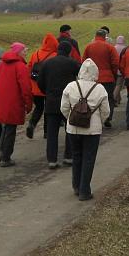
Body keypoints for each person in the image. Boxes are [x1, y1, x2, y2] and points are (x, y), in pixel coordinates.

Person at [60, 59, 110, 201]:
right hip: (92, 131)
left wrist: (71, 118)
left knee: (77, 156)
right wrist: (98, 122)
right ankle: (84, 190)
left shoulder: (71, 86)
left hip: (73, 128)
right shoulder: (100, 89)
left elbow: (63, 107)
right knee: (88, 159)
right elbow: (105, 111)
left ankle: (76, 186)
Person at [36, 40, 80, 168]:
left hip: (51, 101)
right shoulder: (72, 63)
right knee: (70, 130)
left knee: (51, 133)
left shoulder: (47, 63)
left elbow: (40, 82)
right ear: (69, 51)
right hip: (68, 101)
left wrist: (47, 92)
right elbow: (83, 74)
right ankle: (68, 157)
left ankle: (52, 160)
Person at [0, 42, 33, 167]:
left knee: (6, 128)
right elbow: (26, 88)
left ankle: (2, 153)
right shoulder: (21, 67)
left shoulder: (2, 65)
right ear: (18, 52)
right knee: (10, 130)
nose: (26, 52)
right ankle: (5, 157)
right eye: (24, 50)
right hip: (15, 103)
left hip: (2, 102)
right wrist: (28, 104)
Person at [82, 29, 120, 128]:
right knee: (108, 99)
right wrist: (113, 74)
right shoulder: (110, 47)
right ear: (105, 36)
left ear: (95, 36)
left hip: (92, 79)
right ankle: (107, 117)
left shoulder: (88, 47)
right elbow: (115, 63)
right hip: (107, 77)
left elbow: (84, 62)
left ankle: (93, 117)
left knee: (92, 99)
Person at [26, 34, 59, 139]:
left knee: (39, 107)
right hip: (49, 87)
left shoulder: (35, 54)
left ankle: (32, 123)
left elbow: (29, 69)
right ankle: (46, 132)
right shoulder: (55, 55)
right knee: (48, 110)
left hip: (36, 87)